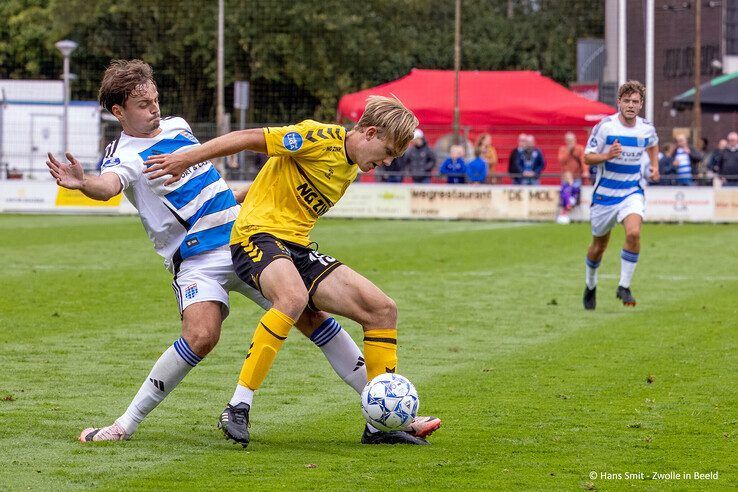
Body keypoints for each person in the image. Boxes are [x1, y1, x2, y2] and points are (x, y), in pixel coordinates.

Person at [46, 60, 430, 445]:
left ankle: (385, 413)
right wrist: (83, 183)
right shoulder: (123, 153)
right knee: (201, 336)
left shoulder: (179, 126)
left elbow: (212, 183)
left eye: (155, 99)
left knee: (310, 315)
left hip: (241, 237)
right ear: (118, 112)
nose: (155, 109)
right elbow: (109, 185)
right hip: (195, 257)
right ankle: (124, 425)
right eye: (144, 104)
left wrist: (245, 196)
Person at [143, 95, 441, 447]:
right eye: (388, 151)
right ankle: (238, 405)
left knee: (382, 309)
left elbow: (280, 180)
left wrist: (239, 195)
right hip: (256, 236)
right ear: (371, 132)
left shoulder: (350, 165)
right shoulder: (319, 138)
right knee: (293, 297)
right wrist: (187, 157)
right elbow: (250, 138)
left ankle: (380, 427)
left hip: (295, 247)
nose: (388, 162)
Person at [581, 80, 659, 310]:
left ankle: (623, 286)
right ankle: (591, 285)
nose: (631, 105)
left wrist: (654, 165)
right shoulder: (605, 127)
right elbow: (587, 157)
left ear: (641, 104)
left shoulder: (646, 128)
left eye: (635, 101)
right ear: (619, 102)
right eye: (627, 101)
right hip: (605, 195)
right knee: (598, 247)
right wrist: (607, 155)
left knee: (634, 234)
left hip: (631, 192)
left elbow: (653, 144)